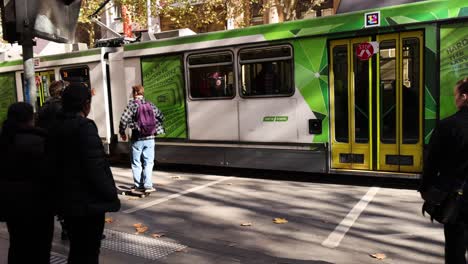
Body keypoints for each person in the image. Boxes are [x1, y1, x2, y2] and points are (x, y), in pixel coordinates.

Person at [47, 83, 120, 264]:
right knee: (88, 251)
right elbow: (95, 166)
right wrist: (111, 194)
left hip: (67, 201)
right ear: (85, 104)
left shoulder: (55, 126)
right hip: (87, 203)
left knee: (77, 250)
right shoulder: (84, 126)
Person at [420, 78, 468, 264]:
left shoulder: (447, 125)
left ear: (464, 97)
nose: (455, 100)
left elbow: (431, 162)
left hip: (458, 198)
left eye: (456, 96)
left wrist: (426, 189)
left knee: (455, 249)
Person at [0, 102, 54, 264]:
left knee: (17, 245)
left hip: (12, 205)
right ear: (31, 118)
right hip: (39, 204)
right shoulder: (41, 140)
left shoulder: (4, 140)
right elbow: (51, 172)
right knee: (41, 248)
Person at [36, 79, 70, 240]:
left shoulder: (43, 108)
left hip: (48, 157)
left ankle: (65, 226)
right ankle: (69, 228)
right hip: (63, 155)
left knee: (58, 194)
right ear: (62, 92)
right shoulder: (62, 108)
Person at [119, 84, 164, 192]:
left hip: (137, 138)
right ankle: (148, 186)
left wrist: (122, 132)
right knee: (148, 162)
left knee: (136, 162)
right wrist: (154, 127)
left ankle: (138, 185)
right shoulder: (150, 104)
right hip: (150, 137)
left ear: (135, 93)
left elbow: (123, 120)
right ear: (142, 93)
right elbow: (161, 116)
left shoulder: (132, 105)